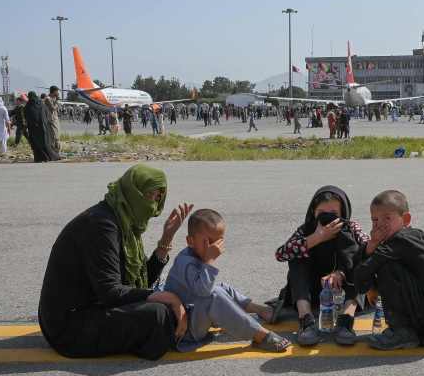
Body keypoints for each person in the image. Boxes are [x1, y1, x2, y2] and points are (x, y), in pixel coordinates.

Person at [38, 165, 193, 360]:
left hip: (91, 307)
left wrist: (166, 239)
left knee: (168, 301)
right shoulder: (102, 225)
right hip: (69, 327)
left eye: (157, 198)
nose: (153, 206)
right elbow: (111, 292)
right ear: (133, 192)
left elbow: (139, 282)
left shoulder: (123, 221)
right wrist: (168, 298)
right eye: (149, 196)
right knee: (159, 315)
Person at [162, 209, 289, 352]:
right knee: (213, 295)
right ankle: (260, 336)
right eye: (208, 241)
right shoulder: (185, 263)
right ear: (190, 241)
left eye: (218, 241)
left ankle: (260, 310)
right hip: (185, 330)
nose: (214, 247)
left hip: (194, 314)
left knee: (222, 287)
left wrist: (207, 260)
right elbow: (204, 292)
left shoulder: (197, 255)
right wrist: (209, 261)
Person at [352, 190, 424, 350]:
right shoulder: (415, 235)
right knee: (382, 262)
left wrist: (371, 285)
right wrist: (371, 245)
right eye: (375, 219)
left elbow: (361, 278)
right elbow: (362, 275)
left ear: (405, 219)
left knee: (387, 266)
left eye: (387, 218)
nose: (380, 224)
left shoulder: (400, 240)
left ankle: (403, 332)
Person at [274, 186, 369, 346]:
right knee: (297, 255)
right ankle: (306, 320)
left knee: (360, 260)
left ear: (343, 213)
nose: (327, 217)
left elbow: (369, 249)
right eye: (321, 212)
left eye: (333, 212)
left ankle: (346, 320)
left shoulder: (351, 227)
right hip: (312, 289)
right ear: (313, 212)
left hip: (343, 289)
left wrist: (342, 272)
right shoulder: (306, 229)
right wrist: (317, 237)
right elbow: (281, 254)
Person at [24, 91, 60, 162]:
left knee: (36, 144)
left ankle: (39, 158)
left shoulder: (27, 106)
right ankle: (50, 157)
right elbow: (46, 114)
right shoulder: (41, 104)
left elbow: (26, 117)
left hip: (33, 129)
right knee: (45, 143)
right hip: (43, 128)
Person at [42, 85, 62, 155]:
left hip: (55, 120)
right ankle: (54, 153)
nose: (58, 93)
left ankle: (56, 152)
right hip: (51, 121)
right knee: (54, 137)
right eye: (57, 91)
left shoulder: (53, 98)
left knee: (56, 136)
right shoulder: (48, 99)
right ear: (54, 91)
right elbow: (53, 108)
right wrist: (57, 101)